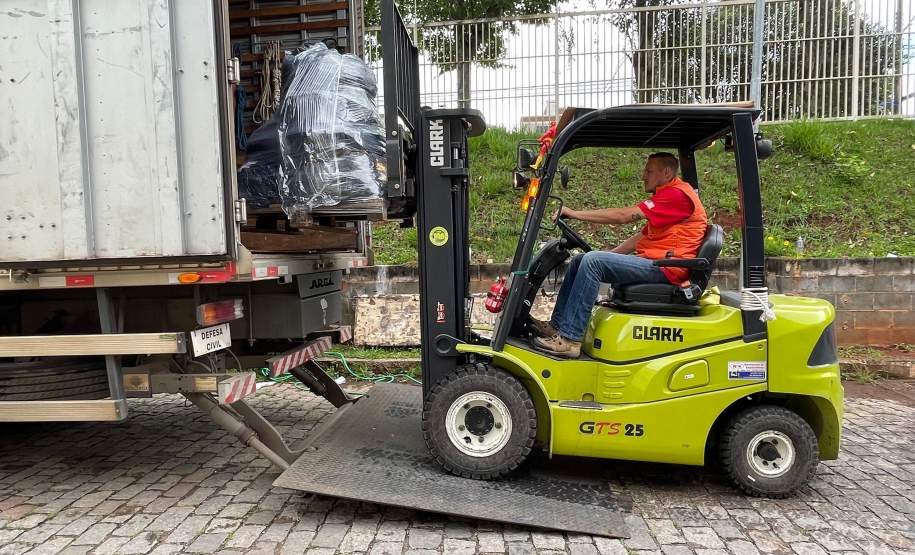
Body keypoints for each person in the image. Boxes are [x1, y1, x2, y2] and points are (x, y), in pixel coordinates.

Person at [531, 152, 708, 358]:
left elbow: (625, 216)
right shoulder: (669, 197)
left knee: (592, 261)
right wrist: (605, 257)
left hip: (668, 269)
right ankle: (557, 326)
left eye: (649, 171)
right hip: (659, 264)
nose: (643, 176)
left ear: (667, 172)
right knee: (582, 260)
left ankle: (570, 340)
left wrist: (575, 214)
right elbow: (639, 239)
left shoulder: (677, 195)